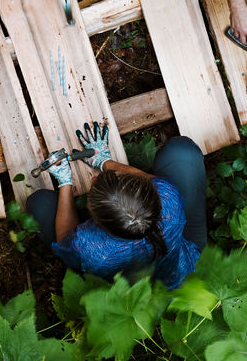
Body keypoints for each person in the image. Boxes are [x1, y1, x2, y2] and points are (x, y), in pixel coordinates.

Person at [25, 123, 206, 290]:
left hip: (135, 293)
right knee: (183, 151)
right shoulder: (168, 200)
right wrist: (104, 161)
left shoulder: (95, 251)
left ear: (97, 222)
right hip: (183, 261)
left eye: (94, 186)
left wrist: (65, 183)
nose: (94, 178)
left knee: (40, 205)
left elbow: (64, 237)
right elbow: (149, 180)